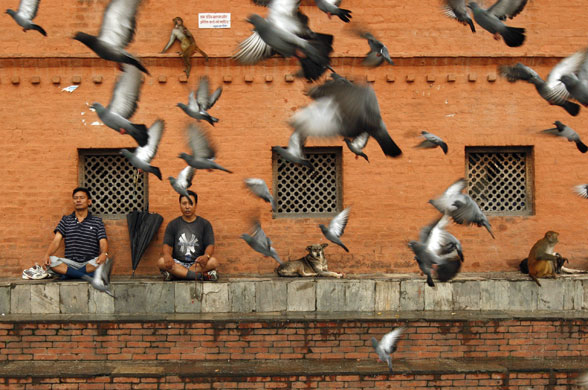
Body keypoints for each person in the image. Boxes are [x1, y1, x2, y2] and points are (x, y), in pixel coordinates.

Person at [35, 187, 109, 279]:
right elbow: (56, 241)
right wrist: (47, 254)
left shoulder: (97, 221)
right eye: (75, 198)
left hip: (89, 263)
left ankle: (69, 275)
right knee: (52, 260)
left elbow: (103, 241)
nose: (78, 200)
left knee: (106, 260)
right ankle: (85, 276)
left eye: (82, 198)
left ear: (89, 201)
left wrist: (103, 253)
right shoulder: (66, 220)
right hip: (70, 264)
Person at [157, 190, 219, 281]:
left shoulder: (205, 224)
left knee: (213, 262)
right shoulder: (173, 224)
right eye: (184, 203)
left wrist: (206, 256)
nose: (187, 207)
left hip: (197, 264)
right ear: (180, 205)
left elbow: (210, 245)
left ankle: (177, 275)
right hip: (177, 263)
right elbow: (167, 244)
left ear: (196, 205)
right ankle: (199, 276)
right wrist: (167, 255)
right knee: (161, 261)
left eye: (190, 203)